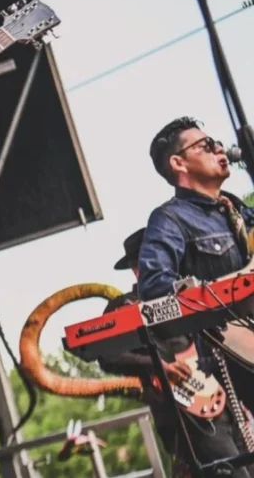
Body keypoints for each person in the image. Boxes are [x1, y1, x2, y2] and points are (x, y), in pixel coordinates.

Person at [137, 116, 254, 476]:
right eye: (206, 145)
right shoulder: (170, 220)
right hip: (228, 362)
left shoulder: (239, 209)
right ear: (178, 163)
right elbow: (155, 286)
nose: (220, 148)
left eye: (218, 142)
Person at [98, 228, 195, 476]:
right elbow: (108, 356)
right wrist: (157, 366)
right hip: (174, 408)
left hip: (222, 398)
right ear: (136, 266)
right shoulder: (123, 306)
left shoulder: (186, 292)